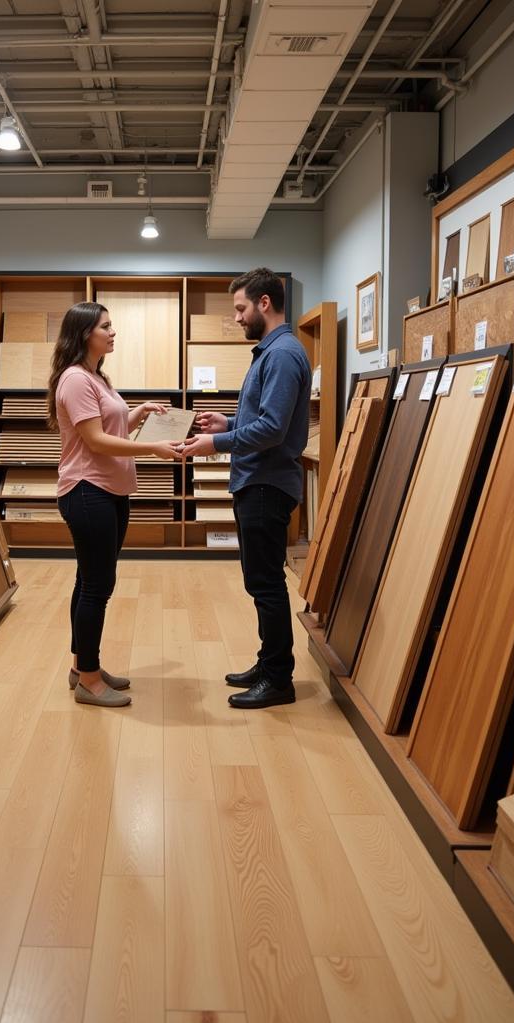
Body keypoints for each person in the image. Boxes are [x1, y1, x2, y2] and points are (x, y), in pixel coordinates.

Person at [180, 268, 310, 709]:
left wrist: (214, 441)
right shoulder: (272, 353)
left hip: (266, 485)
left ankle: (278, 680)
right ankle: (269, 661)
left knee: (267, 584)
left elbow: (273, 429)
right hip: (257, 481)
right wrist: (229, 423)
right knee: (260, 581)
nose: (237, 317)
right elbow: (265, 421)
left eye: (240, 308)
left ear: (265, 304)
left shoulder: (283, 355)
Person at [49, 301, 181, 707]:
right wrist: (153, 447)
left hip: (109, 491)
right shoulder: (75, 379)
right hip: (88, 491)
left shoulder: (97, 376)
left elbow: (108, 424)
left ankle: (81, 665)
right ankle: (89, 678)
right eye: (106, 326)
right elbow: (96, 441)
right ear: (85, 333)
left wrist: (139, 413)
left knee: (88, 580)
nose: (113, 331)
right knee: (97, 586)